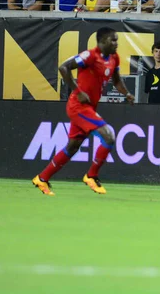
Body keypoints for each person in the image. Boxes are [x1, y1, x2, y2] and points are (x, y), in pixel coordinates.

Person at [32, 27, 135, 196]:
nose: (116, 43)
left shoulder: (114, 58)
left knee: (73, 147)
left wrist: (127, 94)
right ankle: (91, 176)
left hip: (90, 107)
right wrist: (77, 91)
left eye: (117, 40)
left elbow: (117, 80)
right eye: (113, 40)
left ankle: (42, 178)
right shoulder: (89, 56)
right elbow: (64, 67)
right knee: (109, 136)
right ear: (101, 42)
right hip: (78, 106)